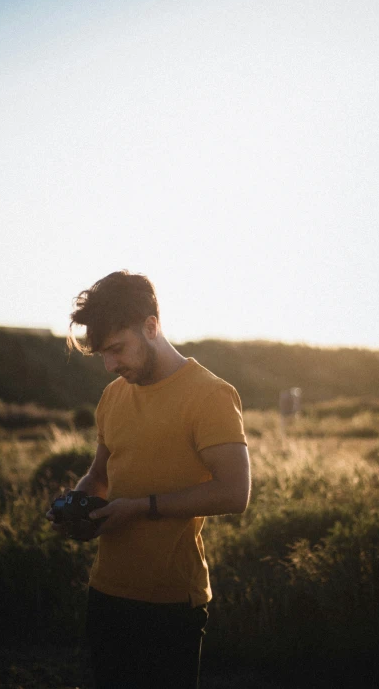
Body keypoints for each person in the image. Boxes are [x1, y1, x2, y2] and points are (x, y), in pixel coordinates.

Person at [47, 270, 250, 689]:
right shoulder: (113, 396)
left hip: (172, 602)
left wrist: (140, 508)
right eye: (103, 354)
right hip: (105, 593)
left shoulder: (210, 395)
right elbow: (99, 475)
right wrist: (80, 507)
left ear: (152, 327)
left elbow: (235, 491)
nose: (110, 365)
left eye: (117, 350)